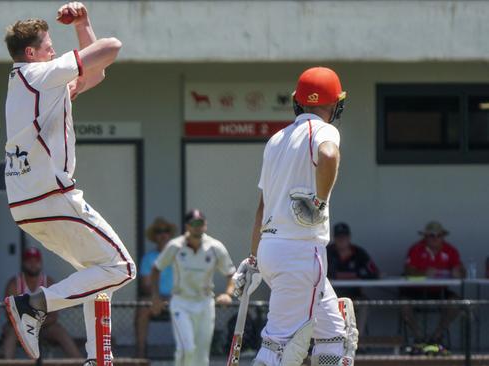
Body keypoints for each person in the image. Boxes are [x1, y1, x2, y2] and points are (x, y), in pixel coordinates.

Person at [1, 3, 135, 364]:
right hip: (52, 197)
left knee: (96, 273)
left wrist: (82, 23)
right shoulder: (38, 73)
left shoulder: (31, 82)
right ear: (31, 53)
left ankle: (97, 358)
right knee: (122, 268)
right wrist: (87, 30)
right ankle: (33, 304)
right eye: (48, 45)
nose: (53, 51)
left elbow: (95, 73)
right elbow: (112, 47)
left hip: (29, 203)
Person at [232, 67, 358, 366]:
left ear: (297, 102)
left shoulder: (276, 140)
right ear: (336, 104)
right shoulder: (325, 130)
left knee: (333, 337)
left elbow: (262, 207)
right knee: (279, 347)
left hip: (272, 251)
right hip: (301, 253)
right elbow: (328, 155)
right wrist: (320, 200)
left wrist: (253, 259)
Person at [150, 209, 236, 366]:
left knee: (202, 357)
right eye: (193, 223)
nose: (197, 227)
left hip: (205, 304)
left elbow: (231, 274)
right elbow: (156, 269)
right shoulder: (175, 246)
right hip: (181, 303)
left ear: (205, 225)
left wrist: (228, 294)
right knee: (186, 348)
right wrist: (155, 297)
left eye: (200, 223)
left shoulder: (215, 247)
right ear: (187, 226)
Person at [2, 247, 81, 359]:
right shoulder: (15, 283)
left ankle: (79, 362)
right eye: (29, 261)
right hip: (20, 329)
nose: (33, 264)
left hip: (44, 327)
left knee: (59, 331)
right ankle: (6, 362)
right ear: (23, 263)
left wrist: (34, 323)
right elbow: (9, 314)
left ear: (41, 263)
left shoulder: (47, 282)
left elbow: (53, 316)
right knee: (10, 333)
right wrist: (26, 324)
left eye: (36, 261)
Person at [401, 221, 464, 349]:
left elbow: (462, 272)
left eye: (439, 235)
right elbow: (407, 271)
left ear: (443, 236)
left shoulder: (450, 250)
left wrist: (458, 272)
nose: (435, 239)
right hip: (417, 290)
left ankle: (436, 336)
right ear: (425, 237)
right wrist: (423, 273)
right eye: (431, 235)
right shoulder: (416, 249)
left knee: (457, 302)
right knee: (403, 303)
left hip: (440, 291)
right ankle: (419, 337)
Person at [326, 222, 379, 334]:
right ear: (334, 238)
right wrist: (350, 275)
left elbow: (374, 273)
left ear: (349, 237)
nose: (342, 240)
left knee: (364, 304)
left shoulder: (359, 253)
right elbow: (322, 273)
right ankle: (333, 341)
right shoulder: (327, 252)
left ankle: (357, 341)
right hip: (331, 298)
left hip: (354, 295)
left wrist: (356, 275)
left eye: (344, 237)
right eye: (338, 237)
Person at [134, 217, 176, 358]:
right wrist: (157, 298)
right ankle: (140, 354)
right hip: (155, 299)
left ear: (170, 235)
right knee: (142, 310)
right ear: (155, 237)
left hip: (179, 299)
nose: (163, 234)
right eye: (159, 231)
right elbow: (146, 285)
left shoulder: (180, 256)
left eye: (166, 231)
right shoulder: (148, 258)